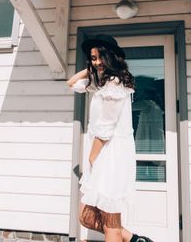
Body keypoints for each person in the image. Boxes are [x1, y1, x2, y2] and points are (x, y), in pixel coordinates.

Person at [66, 34, 153, 242]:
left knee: (111, 224)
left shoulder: (115, 83)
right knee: (86, 217)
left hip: (109, 156)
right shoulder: (102, 83)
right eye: (93, 58)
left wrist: (91, 158)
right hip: (101, 154)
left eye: (99, 57)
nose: (96, 62)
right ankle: (135, 240)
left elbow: (105, 128)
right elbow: (71, 84)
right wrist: (91, 69)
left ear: (111, 56)